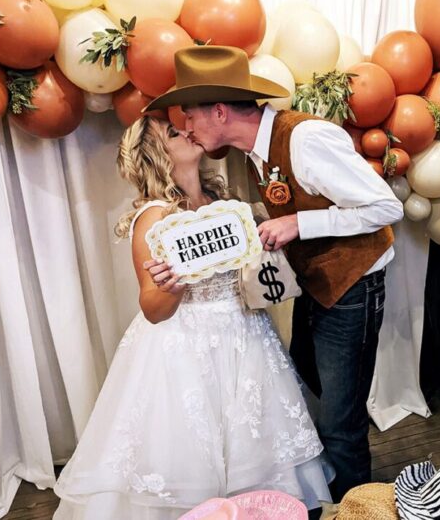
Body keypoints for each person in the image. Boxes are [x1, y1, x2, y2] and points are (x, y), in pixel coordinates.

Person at [145, 45, 404, 501]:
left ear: (219, 111)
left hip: (355, 288)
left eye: (188, 116)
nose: (186, 128)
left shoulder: (306, 139)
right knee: (313, 379)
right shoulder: (254, 153)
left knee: (340, 422)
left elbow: (386, 206)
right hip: (319, 286)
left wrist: (299, 223)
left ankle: (360, 507)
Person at [53, 116, 332, 520]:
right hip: (185, 348)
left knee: (252, 446)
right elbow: (152, 310)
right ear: (155, 154)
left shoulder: (222, 204)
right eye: (171, 132)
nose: (185, 130)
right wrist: (174, 284)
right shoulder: (155, 217)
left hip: (244, 334)